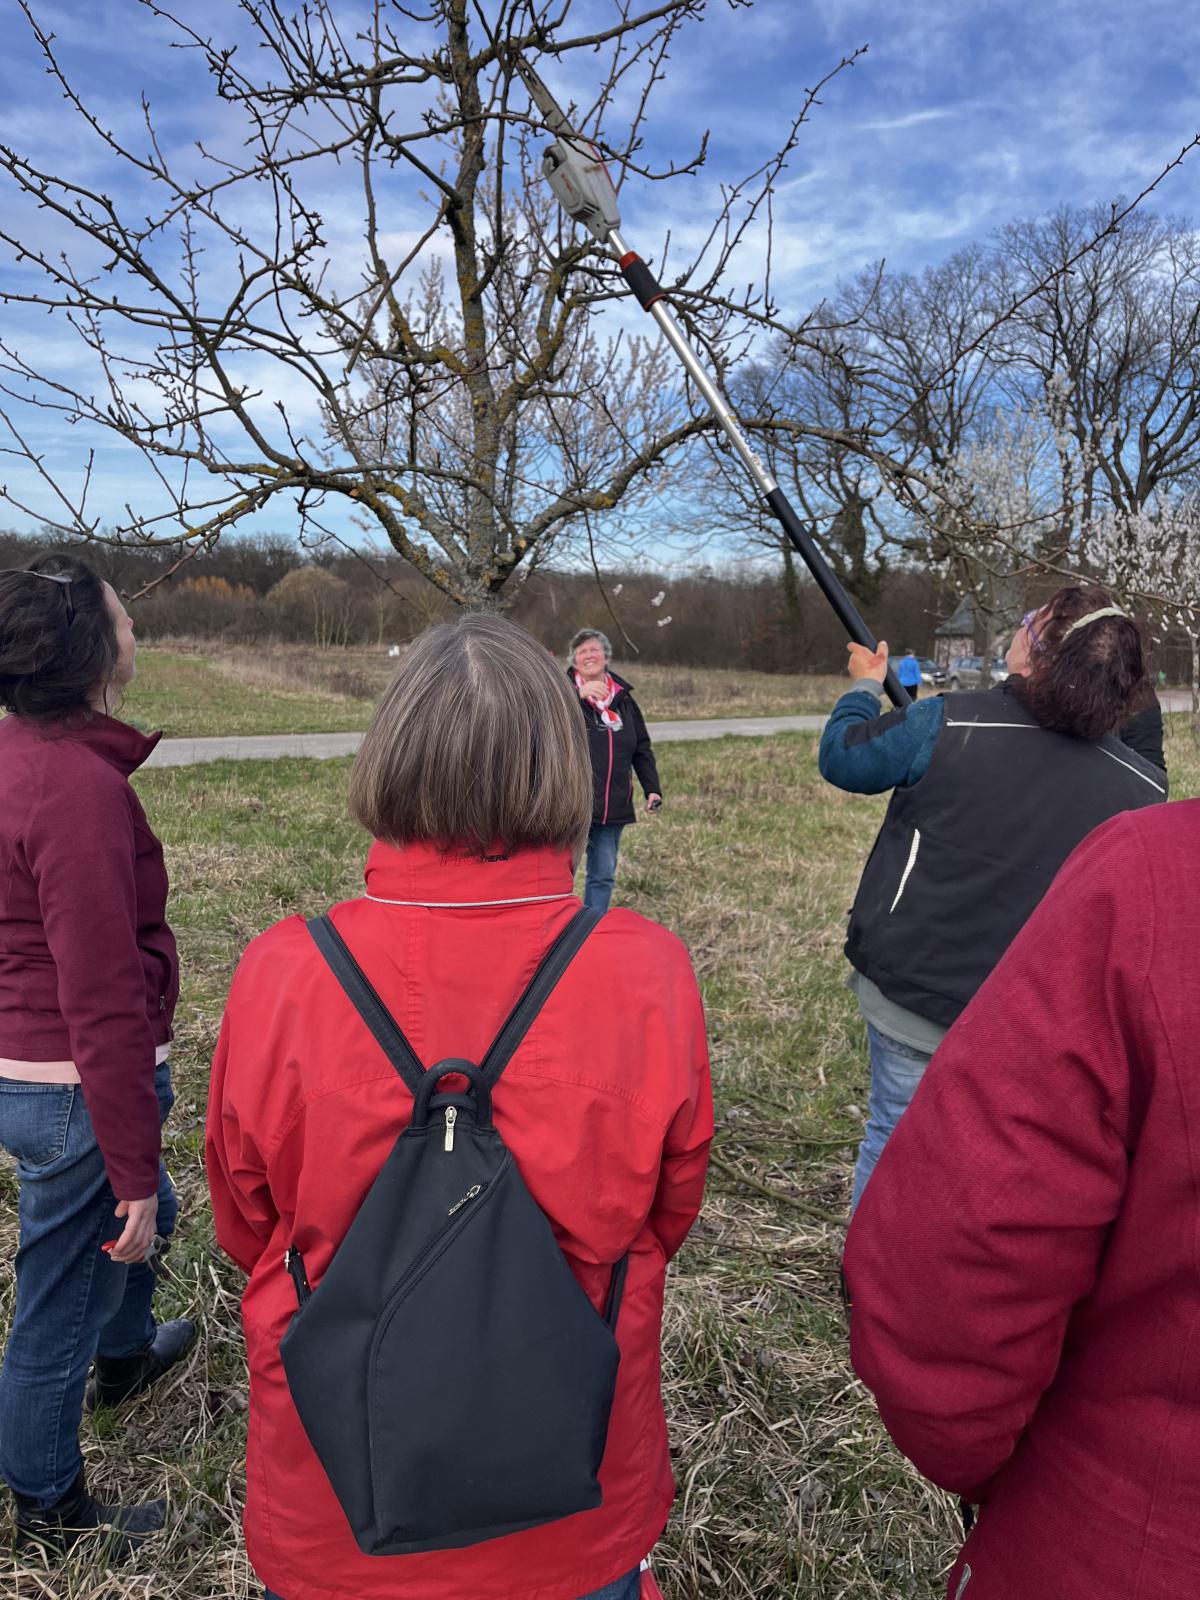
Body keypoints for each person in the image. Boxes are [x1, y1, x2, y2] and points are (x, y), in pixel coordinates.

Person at [207, 613, 712, 1600]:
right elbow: (668, 1211)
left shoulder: (284, 972)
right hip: (572, 1484)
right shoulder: (647, 971)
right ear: (562, 763)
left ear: (389, 755)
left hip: (340, 1493)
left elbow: (248, 1221)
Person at [844, 798, 1200, 1600]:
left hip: (1112, 1536)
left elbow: (953, 1269)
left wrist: (994, 1461)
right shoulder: (1135, 782)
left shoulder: (1154, 881)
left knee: (891, 1125)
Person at [818, 587, 1166, 1211]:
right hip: (1037, 1023)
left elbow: (846, 759)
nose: (1020, 624)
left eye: (1029, 621)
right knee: (991, 1158)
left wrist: (865, 687)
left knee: (894, 1134)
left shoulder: (948, 720)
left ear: (1037, 652)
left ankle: (871, 1278)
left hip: (917, 992)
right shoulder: (1143, 792)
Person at [0, 554, 193, 1556]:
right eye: (123, 615)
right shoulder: (75, 790)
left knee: (154, 1204)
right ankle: (47, 1502)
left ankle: (126, 1354)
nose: (133, 628)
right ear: (88, 647)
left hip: (35, 1071)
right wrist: (122, 1159)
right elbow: (100, 997)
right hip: (73, 1086)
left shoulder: (17, 752)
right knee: (57, 1296)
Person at [568, 629, 662, 913]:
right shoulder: (559, 694)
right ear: (573, 660)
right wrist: (575, 695)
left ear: (606, 657)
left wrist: (653, 788)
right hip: (570, 806)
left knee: (603, 875)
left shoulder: (624, 700)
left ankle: (590, 929)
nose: (589, 655)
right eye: (582, 651)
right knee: (559, 877)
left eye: (595, 649)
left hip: (612, 806)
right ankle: (557, 934)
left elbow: (641, 748)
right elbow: (540, 729)